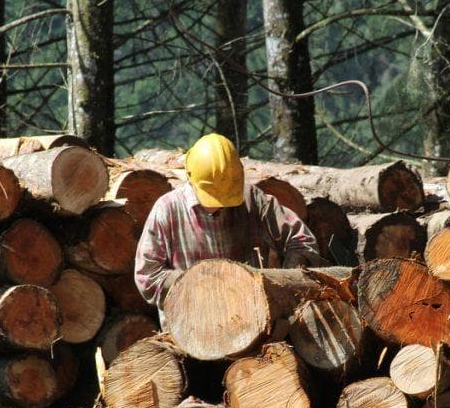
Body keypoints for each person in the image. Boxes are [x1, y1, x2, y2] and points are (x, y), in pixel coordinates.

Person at [134, 133, 324, 314]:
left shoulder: (253, 200)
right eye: (213, 197)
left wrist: (286, 282)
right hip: (191, 326)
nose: (220, 205)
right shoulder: (167, 210)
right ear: (191, 178)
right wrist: (195, 286)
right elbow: (147, 277)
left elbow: (302, 241)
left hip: (254, 316)